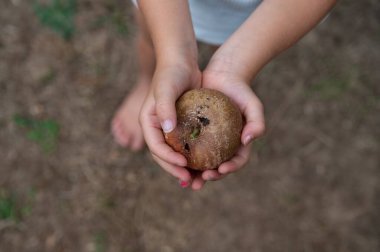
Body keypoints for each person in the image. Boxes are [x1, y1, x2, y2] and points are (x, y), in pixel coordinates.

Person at [111, 0, 337, 190]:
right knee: (153, 41)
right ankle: (146, 83)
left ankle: (216, 66)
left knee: (223, 44)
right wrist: (173, 56)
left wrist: (235, 66)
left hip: (263, 16)